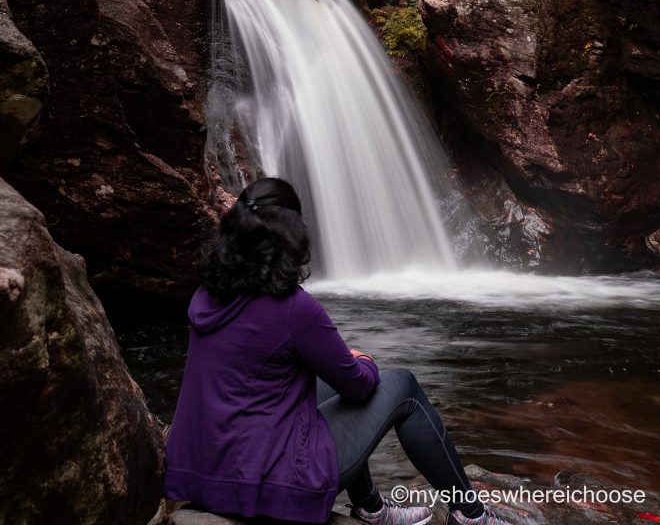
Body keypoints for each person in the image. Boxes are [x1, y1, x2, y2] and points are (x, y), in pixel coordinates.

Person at [163, 177, 509, 525]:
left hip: (200, 474)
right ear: (292, 235)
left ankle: (371, 508)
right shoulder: (293, 309)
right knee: (403, 387)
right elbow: (357, 386)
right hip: (272, 485)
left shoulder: (205, 295)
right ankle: (471, 514)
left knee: (314, 382)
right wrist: (364, 362)